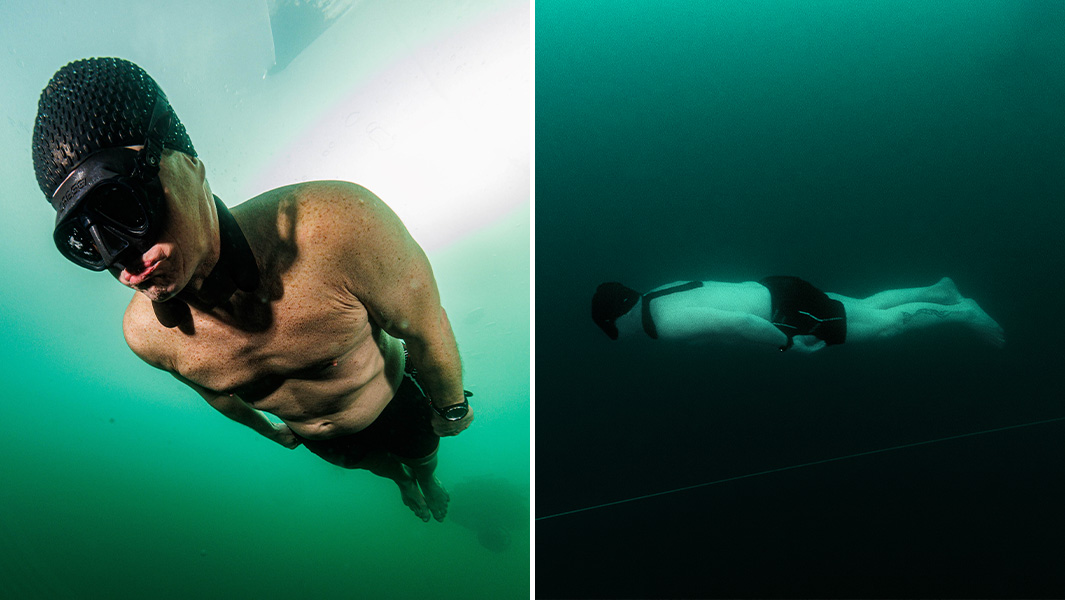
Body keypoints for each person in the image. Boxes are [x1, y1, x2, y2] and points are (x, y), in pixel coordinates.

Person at [32, 57, 474, 523]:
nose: (125, 262)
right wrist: (270, 431)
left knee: (424, 459)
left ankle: (425, 479)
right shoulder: (147, 335)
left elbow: (425, 326)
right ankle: (402, 482)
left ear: (189, 164)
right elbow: (218, 393)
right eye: (88, 241)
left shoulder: (337, 228)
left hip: (394, 404)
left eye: (124, 206)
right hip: (321, 440)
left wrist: (450, 406)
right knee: (380, 468)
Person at [592, 275, 1005, 351]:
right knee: (861, 306)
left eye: (611, 330)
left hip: (786, 312)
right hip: (777, 288)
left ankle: (964, 312)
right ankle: (938, 291)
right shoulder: (658, 293)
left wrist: (789, 346)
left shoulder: (661, 324)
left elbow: (738, 323)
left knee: (884, 328)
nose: (617, 337)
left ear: (619, 317)